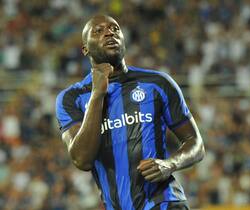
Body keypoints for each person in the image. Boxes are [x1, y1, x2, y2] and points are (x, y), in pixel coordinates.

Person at [55, 15, 205, 210]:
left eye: (115, 28)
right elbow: (82, 159)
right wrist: (97, 95)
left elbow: (196, 144)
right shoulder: (71, 98)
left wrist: (170, 164)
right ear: (85, 49)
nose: (109, 32)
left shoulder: (158, 83)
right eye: (98, 31)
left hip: (165, 202)